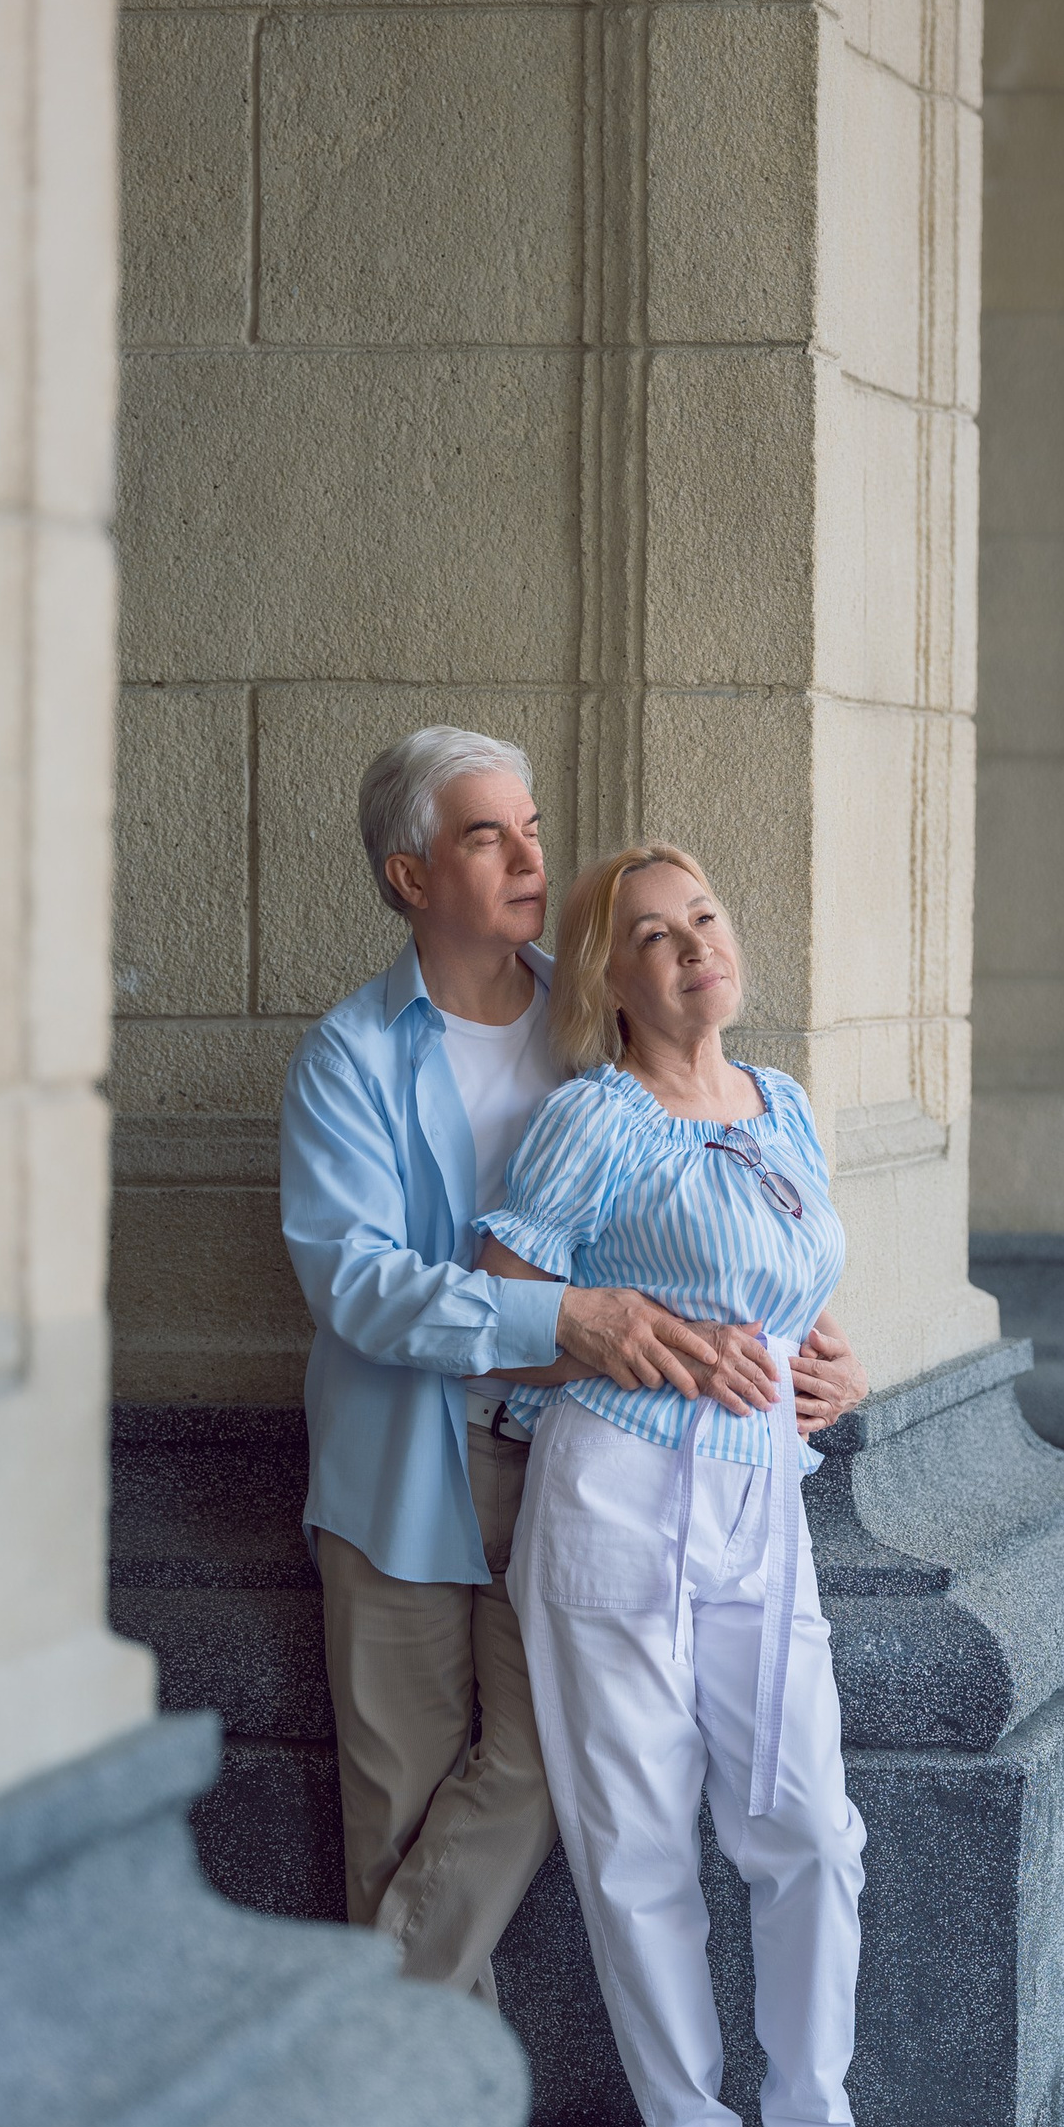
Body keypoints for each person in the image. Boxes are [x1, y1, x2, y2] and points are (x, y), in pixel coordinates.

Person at [279, 731, 776, 2012]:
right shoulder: (348, 1056)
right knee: (396, 1811)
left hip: (581, 1459)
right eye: (486, 834)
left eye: (533, 825)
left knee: (551, 1758)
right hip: (399, 1475)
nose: (529, 856)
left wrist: (804, 1331)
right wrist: (564, 1314)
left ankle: (352, 2056)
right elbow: (356, 1281)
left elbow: (716, 1189)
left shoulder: (599, 1016)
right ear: (407, 875)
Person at [474, 844, 914, 2127]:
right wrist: (639, 1336)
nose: (691, 949)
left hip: (761, 1501)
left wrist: (839, 1369)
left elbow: (802, 1297)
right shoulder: (593, 1118)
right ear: (612, 977)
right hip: (615, 1490)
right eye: (652, 936)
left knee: (808, 1826)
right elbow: (496, 1313)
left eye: (705, 919)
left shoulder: (780, 1104)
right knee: (640, 1834)